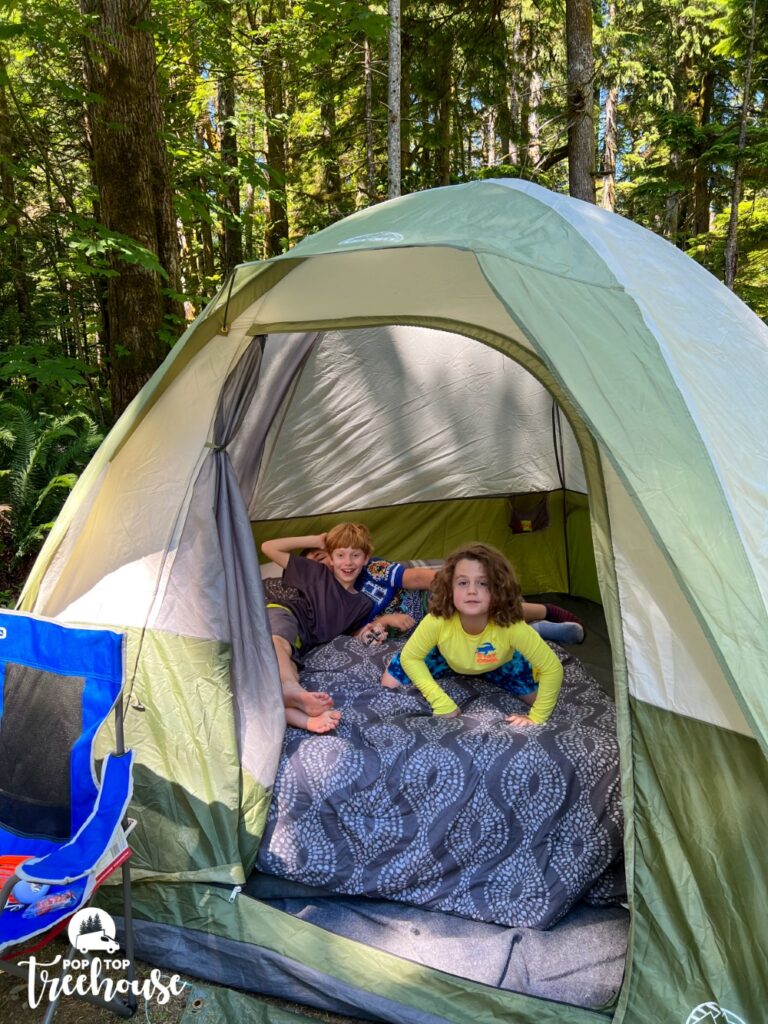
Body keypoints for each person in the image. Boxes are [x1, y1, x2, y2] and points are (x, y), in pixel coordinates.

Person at [380, 543, 564, 727]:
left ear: (498, 588)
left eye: (483, 583)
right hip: (446, 657)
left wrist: (536, 717)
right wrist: (439, 700)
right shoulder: (436, 620)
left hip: (500, 662)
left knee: (542, 700)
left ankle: (539, 629)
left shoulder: (512, 626)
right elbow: (411, 657)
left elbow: (552, 669)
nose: (472, 591)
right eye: (462, 583)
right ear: (449, 588)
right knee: (388, 685)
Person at [306, 546, 584, 644]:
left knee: (469, 603)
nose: (328, 565)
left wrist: (449, 581)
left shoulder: (370, 567)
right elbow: (355, 635)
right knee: (459, 635)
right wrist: (386, 620)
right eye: (314, 566)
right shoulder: (330, 605)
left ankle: (545, 613)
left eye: (325, 557)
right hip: (411, 629)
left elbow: (412, 576)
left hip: (425, 600)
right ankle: (534, 632)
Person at [261, 523, 377, 733]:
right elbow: (268, 547)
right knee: (278, 642)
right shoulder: (316, 572)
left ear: (366, 558)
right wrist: (315, 541)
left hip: (301, 642)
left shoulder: (362, 604)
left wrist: (368, 634)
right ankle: (291, 689)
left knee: (280, 674)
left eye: (355, 555)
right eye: (340, 555)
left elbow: (350, 632)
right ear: (330, 558)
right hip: (285, 614)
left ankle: (306, 718)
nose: (348, 562)